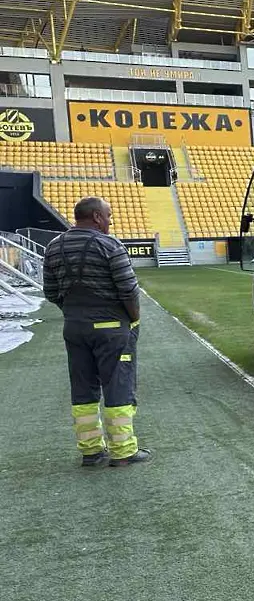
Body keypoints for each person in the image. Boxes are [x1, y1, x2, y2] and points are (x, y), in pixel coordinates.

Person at [42, 196, 150, 467]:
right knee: (118, 388)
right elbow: (128, 289)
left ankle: (91, 451)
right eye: (109, 215)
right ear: (97, 217)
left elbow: (51, 292)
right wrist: (133, 318)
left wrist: (76, 313)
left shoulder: (54, 247)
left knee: (83, 390)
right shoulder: (109, 245)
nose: (111, 220)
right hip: (112, 329)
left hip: (75, 328)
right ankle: (123, 452)